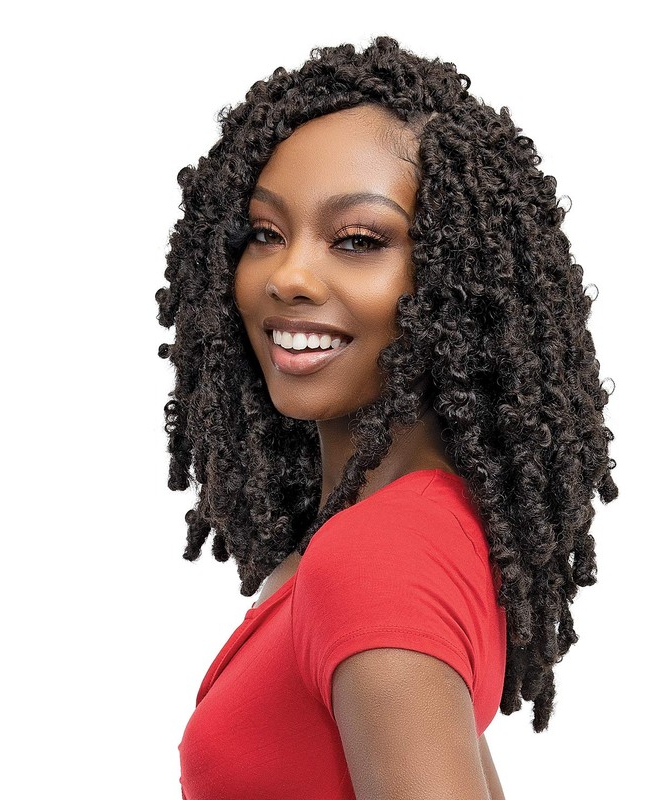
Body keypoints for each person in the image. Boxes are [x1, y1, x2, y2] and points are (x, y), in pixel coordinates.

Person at [156, 35, 618, 800]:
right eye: (266, 233)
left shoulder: (379, 558)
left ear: (454, 282)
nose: (289, 275)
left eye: (358, 240)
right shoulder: (414, 531)